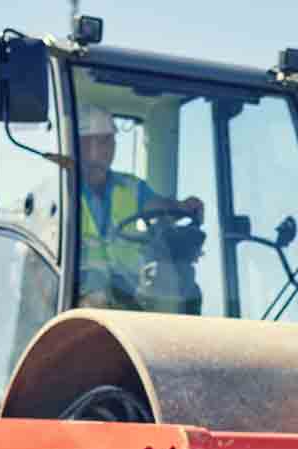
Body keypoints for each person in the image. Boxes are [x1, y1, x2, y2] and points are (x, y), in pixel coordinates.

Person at [75, 105, 205, 308]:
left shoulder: (131, 187)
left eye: (111, 140)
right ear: (82, 144)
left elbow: (159, 209)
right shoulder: (63, 190)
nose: (110, 148)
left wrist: (183, 208)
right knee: (96, 296)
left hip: (128, 288)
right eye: (102, 140)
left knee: (183, 287)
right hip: (81, 292)